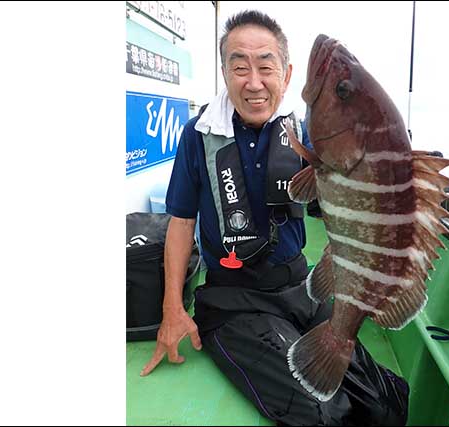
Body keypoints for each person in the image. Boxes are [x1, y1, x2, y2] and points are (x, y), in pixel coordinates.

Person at [140, 10, 409, 426]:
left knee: (387, 401)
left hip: (301, 288)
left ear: (286, 75)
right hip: (233, 299)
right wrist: (173, 309)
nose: (253, 82)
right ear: (225, 73)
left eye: (265, 66)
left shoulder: (307, 135)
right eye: (239, 66)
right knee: (324, 415)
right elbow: (180, 222)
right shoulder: (198, 134)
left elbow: (348, 202)